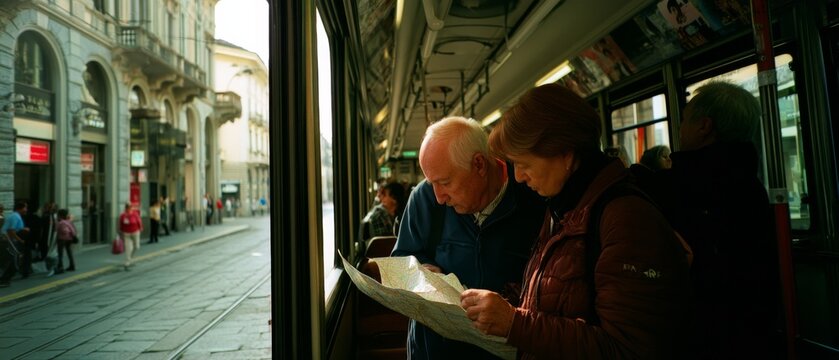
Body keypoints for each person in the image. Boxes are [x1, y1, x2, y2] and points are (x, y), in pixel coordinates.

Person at [460, 84, 691, 359]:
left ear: (564, 154)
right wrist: (506, 303)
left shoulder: (625, 220)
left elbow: (626, 348)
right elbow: (559, 295)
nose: (519, 177)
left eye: (524, 164)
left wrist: (515, 323)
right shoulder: (563, 207)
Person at [392, 116, 545, 359]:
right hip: (434, 351)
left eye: (444, 182)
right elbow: (402, 259)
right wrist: (420, 272)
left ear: (479, 165)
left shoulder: (533, 198)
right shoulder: (425, 200)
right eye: (431, 182)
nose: (439, 197)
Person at [652, 82, 781, 358]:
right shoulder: (751, 187)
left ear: (704, 126)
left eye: (685, 120)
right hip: (749, 333)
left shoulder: (684, 185)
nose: (680, 127)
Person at [0, 201, 29, 287]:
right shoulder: (15, 217)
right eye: (25, 207)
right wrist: (20, 240)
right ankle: (4, 280)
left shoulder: (15, 216)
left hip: (9, 240)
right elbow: (10, 231)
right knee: (15, 262)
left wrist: (24, 229)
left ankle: (4, 279)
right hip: (9, 241)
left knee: (12, 261)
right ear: (20, 208)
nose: (26, 210)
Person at [119, 203, 143, 271]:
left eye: (129, 207)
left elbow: (139, 221)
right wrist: (120, 232)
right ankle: (127, 263)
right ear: (125, 208)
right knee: (128, 248)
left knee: (137, 247)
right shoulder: (123, 215)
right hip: (126, 234)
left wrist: (141, 227)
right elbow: (121, 224)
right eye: (127, 207)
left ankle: (130, 258)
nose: (128, 209)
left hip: (135, 232)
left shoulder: (135, 214)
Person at [54, 208, 77, 273]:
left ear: (60, 215)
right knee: (69, 252)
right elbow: (73, 230)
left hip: (62, 239)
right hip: (69, 239)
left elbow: (63, 230)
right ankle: (72, 265)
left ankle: (60, 267)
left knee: (60, 253)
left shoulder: (61, 222)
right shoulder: (68, 221)